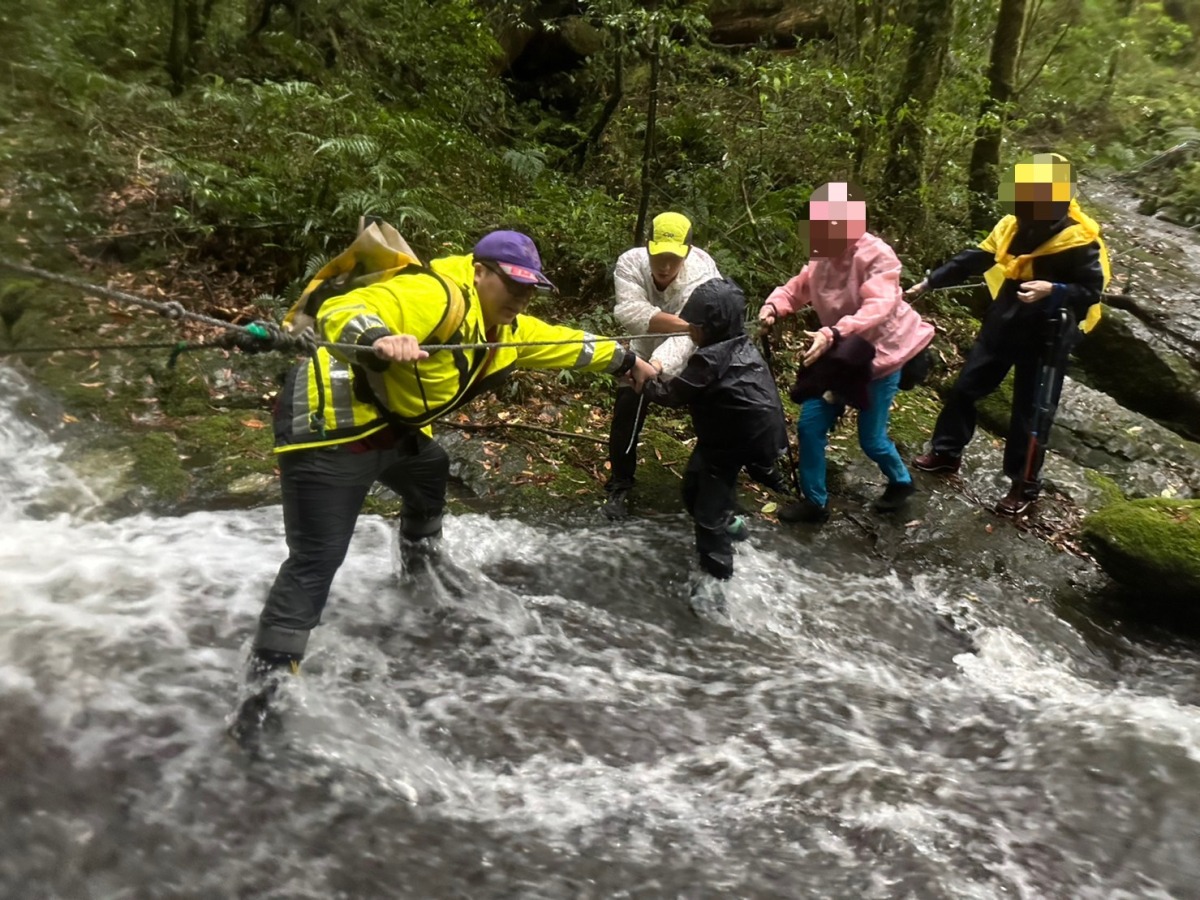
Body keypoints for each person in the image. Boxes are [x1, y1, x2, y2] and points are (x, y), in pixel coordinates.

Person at [233, 228, 657, 739]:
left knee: (430, 470)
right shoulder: (434, 293)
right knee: (317, 558)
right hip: (328, 428)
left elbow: (562, 343)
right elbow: (349, 308)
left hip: (394, 426)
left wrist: (627, 359)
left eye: (530, 288)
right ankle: (265, 693)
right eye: (512, 284)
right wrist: (377, 338)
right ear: (480, 272)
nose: (522, 297)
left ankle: (420, 566)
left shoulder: (505, 328)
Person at [909, 153, 1109, 515]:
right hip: (1005, 320)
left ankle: (1024, 484)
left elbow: (1092, 290)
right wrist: (930, 282)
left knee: (1030, 412)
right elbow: (976, 258)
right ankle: (946, 452)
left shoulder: (1079, 240)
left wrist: (1052, 289)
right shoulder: (1012, 226)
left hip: (1048, 334)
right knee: (966, 387)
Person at [757, 182, 934, 523]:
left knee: (871, 439)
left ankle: (901, 481)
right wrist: (774, 307)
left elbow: (879, 305)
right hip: (836, 354)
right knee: (810, 426)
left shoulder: (877, 256)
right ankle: (815, 501)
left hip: (879, 358)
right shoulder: (821, 255)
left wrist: (834, 331)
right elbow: (797, 289)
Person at [640, 277, 788, 603]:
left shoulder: (708, 359)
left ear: (712, 326)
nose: (690, 328)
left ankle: (718, 581)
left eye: (695, 324)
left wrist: (642, 382)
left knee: (707, 518)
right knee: (693, 487)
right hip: (733, 436)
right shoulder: (739, 344)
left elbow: (672, 395)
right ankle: (733, 524)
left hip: (732, 442)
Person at [602, 211, 722, 520]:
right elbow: (629, 311)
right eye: (659, 256)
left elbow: (693, 337)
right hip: (644, 346)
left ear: (687, 252)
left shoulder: (702, 272)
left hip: (695, 353)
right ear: (648, 247)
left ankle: (716, 483)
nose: (665, 266)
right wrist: (685, 326)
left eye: (674, 258)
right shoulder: (630, 262)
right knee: (628, 404)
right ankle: (621, 482)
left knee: (715, 409)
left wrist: (656, 364)